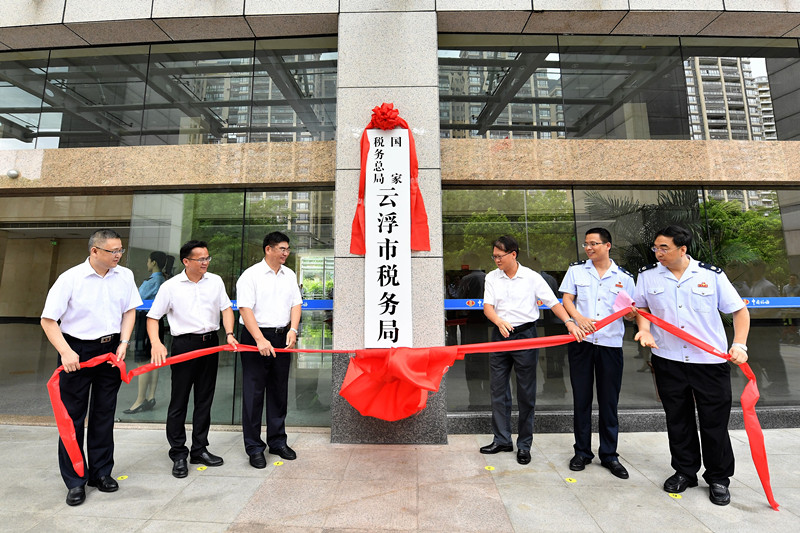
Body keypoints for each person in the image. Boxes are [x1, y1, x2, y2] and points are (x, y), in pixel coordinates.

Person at [634, 225, 749, 506]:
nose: (658, 253)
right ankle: (685, 471)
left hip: (709, 363)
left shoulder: (710, 276)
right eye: (656, 248)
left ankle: (719, 478)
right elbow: (641, 308)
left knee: (714, 422)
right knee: (678, 419)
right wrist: (645, 330)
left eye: (664, 248)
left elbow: (739, 310)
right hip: (668, 360)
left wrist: (740, 344)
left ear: (682, 249)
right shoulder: (648, 277)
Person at [40, 229, 142, 506]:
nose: (118, 255)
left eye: (121, 250)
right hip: (77, 351)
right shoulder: (70, 279)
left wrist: (123, 342)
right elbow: (48, 320)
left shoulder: (125, 276)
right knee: (72, 419)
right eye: (112, 251)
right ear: (94, 251)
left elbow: (130, 310)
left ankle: (101, 473)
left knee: (103, 414)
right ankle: (75, 480)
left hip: (110, 351)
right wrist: (66, 352)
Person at [480, 235, 584, 465]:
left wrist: (569, 322)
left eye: (500, 256)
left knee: (526, 392)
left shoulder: (532, 277)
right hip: (500, 334)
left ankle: (524, 444)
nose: (496, 260)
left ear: (513, 254)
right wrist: (498, 322)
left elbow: (553, 303)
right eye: (494, 256)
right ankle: (501, 439)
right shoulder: (491, 277)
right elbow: (488, 307)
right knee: (498, 390)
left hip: (526, 336)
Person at [147, 240, 236, 478]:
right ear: (186, 261)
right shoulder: (171, 286)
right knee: (179, 401)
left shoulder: (215, 281)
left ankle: (199, 449)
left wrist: (228, 334)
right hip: (184, 345)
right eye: (201, 259)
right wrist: (156, 343)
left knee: (204, 399)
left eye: (208, 258)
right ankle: (178, 453)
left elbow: (226, 308)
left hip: (210, 344)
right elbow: (153, 317)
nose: (206, 262)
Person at [559, 227, 635, 479]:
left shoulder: (624, 277)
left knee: (608, 401)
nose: (589, 248)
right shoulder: (577, 270)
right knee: (581, 399)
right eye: (586, 244)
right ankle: (581, 452)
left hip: (610, 345)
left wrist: (632, 312)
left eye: (594, 244)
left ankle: (609, 455)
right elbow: (567, 299)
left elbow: (632, 310)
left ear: (607, 245)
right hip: (581, 342)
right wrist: (578, 319)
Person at [236, 231, 302, 468]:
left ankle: (277, 441)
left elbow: (296, 303)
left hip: (281, 337)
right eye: (282, 248)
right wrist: (259, 339)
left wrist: (293, 329)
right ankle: (254, 447)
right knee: (254, 394)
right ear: (268, 249)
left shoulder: (289, 275)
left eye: (287, 249)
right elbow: (245, 309)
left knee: (278, 390)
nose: (286, 253)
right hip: (255, 337)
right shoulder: (250, 275)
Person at [124, 251, 172, 414]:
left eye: (148, 261)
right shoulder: (164, 279)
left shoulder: (154, 281)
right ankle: (150, 396)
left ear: (153, 263)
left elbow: (137, 299)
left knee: (143, 361)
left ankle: (140, 400)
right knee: (154, 360)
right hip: (156, 322)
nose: (147, 263)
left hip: (145, 321)